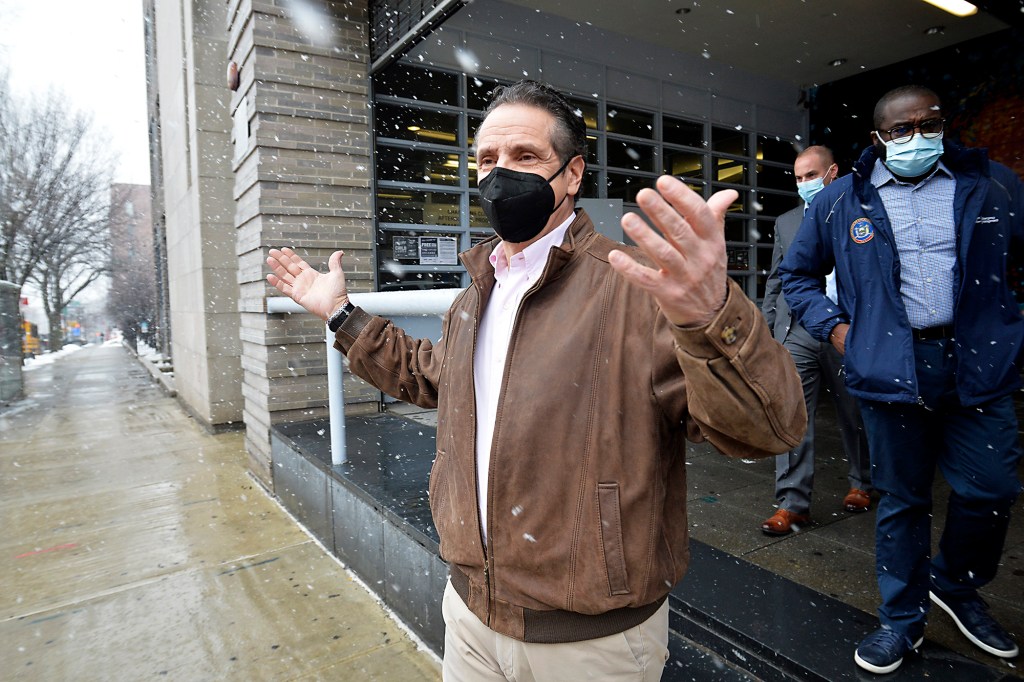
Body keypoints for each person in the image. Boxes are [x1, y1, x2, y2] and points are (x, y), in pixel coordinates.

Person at [267, 80, 805, 681]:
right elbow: (430, 377)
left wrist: (712, 316)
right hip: (470, 615)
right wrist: (341, 316)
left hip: (590, 642)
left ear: (573, 175)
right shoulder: (478, 290)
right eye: (487, 161)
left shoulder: (636, 289)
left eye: (525, 157)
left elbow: (769, 428)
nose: (501, 175)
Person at [780, 85, 1023, 675]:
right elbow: (798, 275)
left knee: (991, 488)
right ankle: (901, 620)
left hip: (976, 364)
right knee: (903, 501)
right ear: (878, 138)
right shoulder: (840, 201)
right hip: (890, 367)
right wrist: (838, 331)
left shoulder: (992, 185)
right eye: (901, 130)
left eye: (929, 124)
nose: (917, 138)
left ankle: (956, 585)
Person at [760, 145, 872, 536]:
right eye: (799, 177)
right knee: (792, 417)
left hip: (847, 330)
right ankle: (792, 504)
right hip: (798, 331)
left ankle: (863, 483)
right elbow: (776, 279)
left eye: (812, 175)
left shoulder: (861, 211)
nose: (805, 183)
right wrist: (770, 330)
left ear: (833, 172)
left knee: (854, 412)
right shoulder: (788, 222)